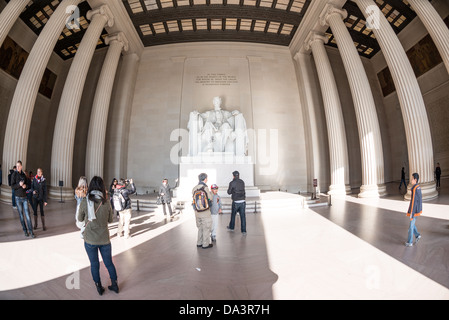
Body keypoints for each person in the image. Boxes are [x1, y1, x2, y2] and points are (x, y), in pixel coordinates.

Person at [77, 176, 118, 296]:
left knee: (94, 264)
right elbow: (110, 220)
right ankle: (115, 285)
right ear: (102, 187)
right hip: (104, 239)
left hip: (90, 240)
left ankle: (99, 287)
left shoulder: (85, 201)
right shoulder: (106, 203)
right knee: (109, 263)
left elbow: (79, 219)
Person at [11, 161, 34, 238]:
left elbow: (28, 185)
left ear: (21, 166)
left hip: (24, 198)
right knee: (21, 216)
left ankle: (31, 231)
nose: (17, 167)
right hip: (17, 198)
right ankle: (25, 230)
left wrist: (25, 186)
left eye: (19, 166)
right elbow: (12, 186)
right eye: (16, 166)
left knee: (27, 215)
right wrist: (19, 185)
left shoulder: (24, 175)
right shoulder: (14, 174)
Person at [192, 173, 213, 249]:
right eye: (207, 178)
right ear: (205, 179)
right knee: (206, 228)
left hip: (197, 212)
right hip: (205, 212)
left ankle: (199, 242)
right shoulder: (205, 188)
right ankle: (205, 244)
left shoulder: (194, 188)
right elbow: (210, 198)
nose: (207, 179)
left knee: (200, 227)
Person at [405, 173, 422, 247]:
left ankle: (410, 242)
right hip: (417, 209)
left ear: (415, 180)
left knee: (410, 227)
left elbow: (413, 202)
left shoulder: (415, 188)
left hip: (414, 210)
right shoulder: (418, 187)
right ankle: (417, 235)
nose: (411, 180)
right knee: (412, 224)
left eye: (412, 179)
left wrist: (411, 212)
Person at [227, 171, 246, 235]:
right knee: (243, 216)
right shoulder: (242, 182)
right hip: (243, 201)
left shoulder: (232, 183)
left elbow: (229, 192)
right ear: (239, 175)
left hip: (236, 201)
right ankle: (244, 231)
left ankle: (231, 227)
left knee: (233, 215)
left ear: (233, 176)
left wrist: (232, 190)